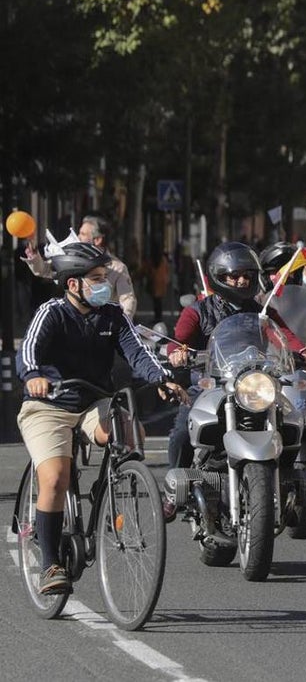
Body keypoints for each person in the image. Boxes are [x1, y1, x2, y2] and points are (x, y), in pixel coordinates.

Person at [16, 242, 187, 594]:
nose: (103, 284)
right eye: (95, 278)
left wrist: (161, 380)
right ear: (73, 284)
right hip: (48, 404)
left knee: (129, 432)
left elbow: (138, 354)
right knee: (56, 477)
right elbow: (29, 349)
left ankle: (110, 484)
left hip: (95, 401)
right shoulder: (51, 312)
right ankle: (50, 565)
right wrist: (33, 374)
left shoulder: (112, 316)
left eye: (104, 277)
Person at [165, 243, 306, 474]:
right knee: (182, 433)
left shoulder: (261, 311)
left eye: (247, 276)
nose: (242, 281)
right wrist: (177, 353)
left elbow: (283, 335)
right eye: (234, 276)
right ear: (218, 277)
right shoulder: (198, 311)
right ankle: (174, 489)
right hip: (210, 385)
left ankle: (286, 480)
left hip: (254, 384)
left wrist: (303, 352)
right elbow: (178, 340)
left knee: (291, 421)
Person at [23, 214, 138, 319]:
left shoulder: (117, 268)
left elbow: (127, 299)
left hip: (102, 325)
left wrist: (123, 323)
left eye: (83, 234)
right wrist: (34, 257)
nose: (77, 237)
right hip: (74, 321)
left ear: (97, 240)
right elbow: (44, 270)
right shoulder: (71, 259)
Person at [147, 250, 170, 325]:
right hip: (161, 282)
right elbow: (166, 270)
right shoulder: (163, 259)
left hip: (155, 282)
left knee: (156, 302)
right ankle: (158, 317)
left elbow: (150, 271)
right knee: (158, 302)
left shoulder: (153, 260)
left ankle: (157, 317)